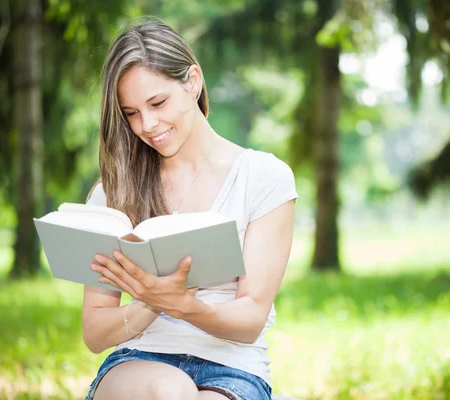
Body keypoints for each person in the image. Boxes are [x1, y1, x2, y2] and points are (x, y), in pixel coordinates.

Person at [82, 17, 298, 400]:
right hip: (137, 363)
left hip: (232, 369)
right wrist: (151, 305)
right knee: (172, 389)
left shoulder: (263, 177)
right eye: (131, 113)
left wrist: (182, 305)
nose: (147, 124)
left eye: (158, 103)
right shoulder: (114, 192)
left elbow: (250, 320)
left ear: (193, 81)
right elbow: (95, 333)